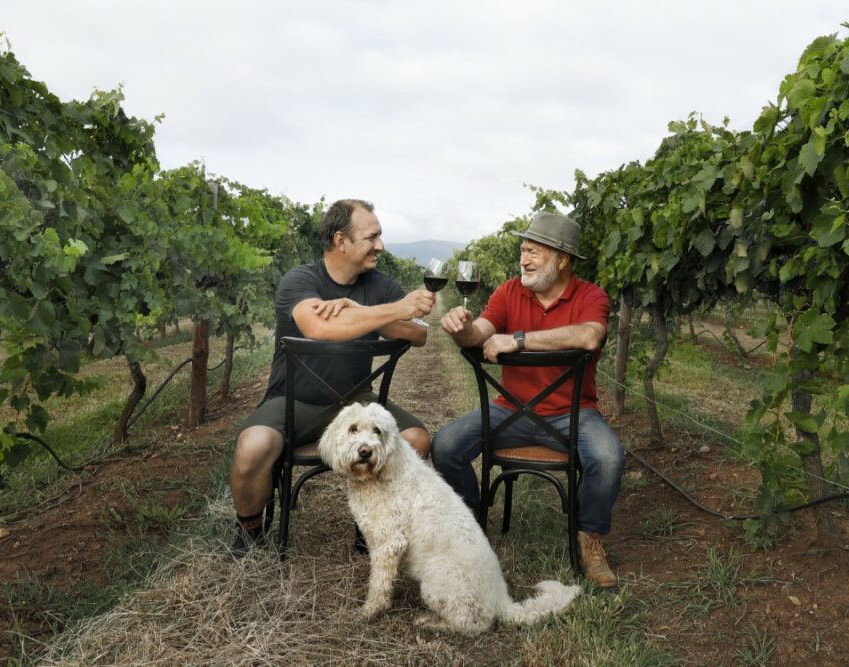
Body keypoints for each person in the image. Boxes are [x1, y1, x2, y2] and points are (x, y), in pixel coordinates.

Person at [229, 199, 435, 557]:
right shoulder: (301, 280)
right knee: (252, 447)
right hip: (295, 400)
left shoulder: (378, 285)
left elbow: (418, 335)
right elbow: (319, 327)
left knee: (415, 439)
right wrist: (397, 310)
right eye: (372, 237)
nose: (380, 246)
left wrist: (360, 311)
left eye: (380, 236)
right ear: (341, 241)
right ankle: (250, 531)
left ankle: (372, 523)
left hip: (358, 405)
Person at [431, 212, 624, 588]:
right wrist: (462, 328)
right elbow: (480, 333)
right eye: (523, 250)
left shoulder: (590, 296)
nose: (524, 259)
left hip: (573, 415)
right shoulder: (508, 292)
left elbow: (589, 336)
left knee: (608, 457)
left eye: (534, 252)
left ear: (562, 259)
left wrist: (518, 339)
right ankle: (471, 526)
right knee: (446, 445)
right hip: (510, 412)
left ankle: (589, 539)